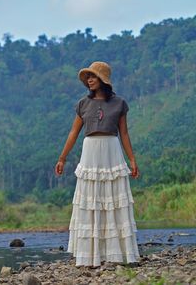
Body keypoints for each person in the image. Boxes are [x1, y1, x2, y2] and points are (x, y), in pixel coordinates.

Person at [55, 61, 140, 267]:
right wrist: (62, 157)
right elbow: (74, 132)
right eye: (88, 78)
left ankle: (116, 254)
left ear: (103, 80)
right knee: (91, 198)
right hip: (90, 150)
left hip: (111, 149)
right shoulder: (83, 103)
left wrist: (132, 159)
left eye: (93, 77)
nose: (89, 80)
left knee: (112, 198)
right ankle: (89, 255)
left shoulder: (119, 103)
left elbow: (124, 133)